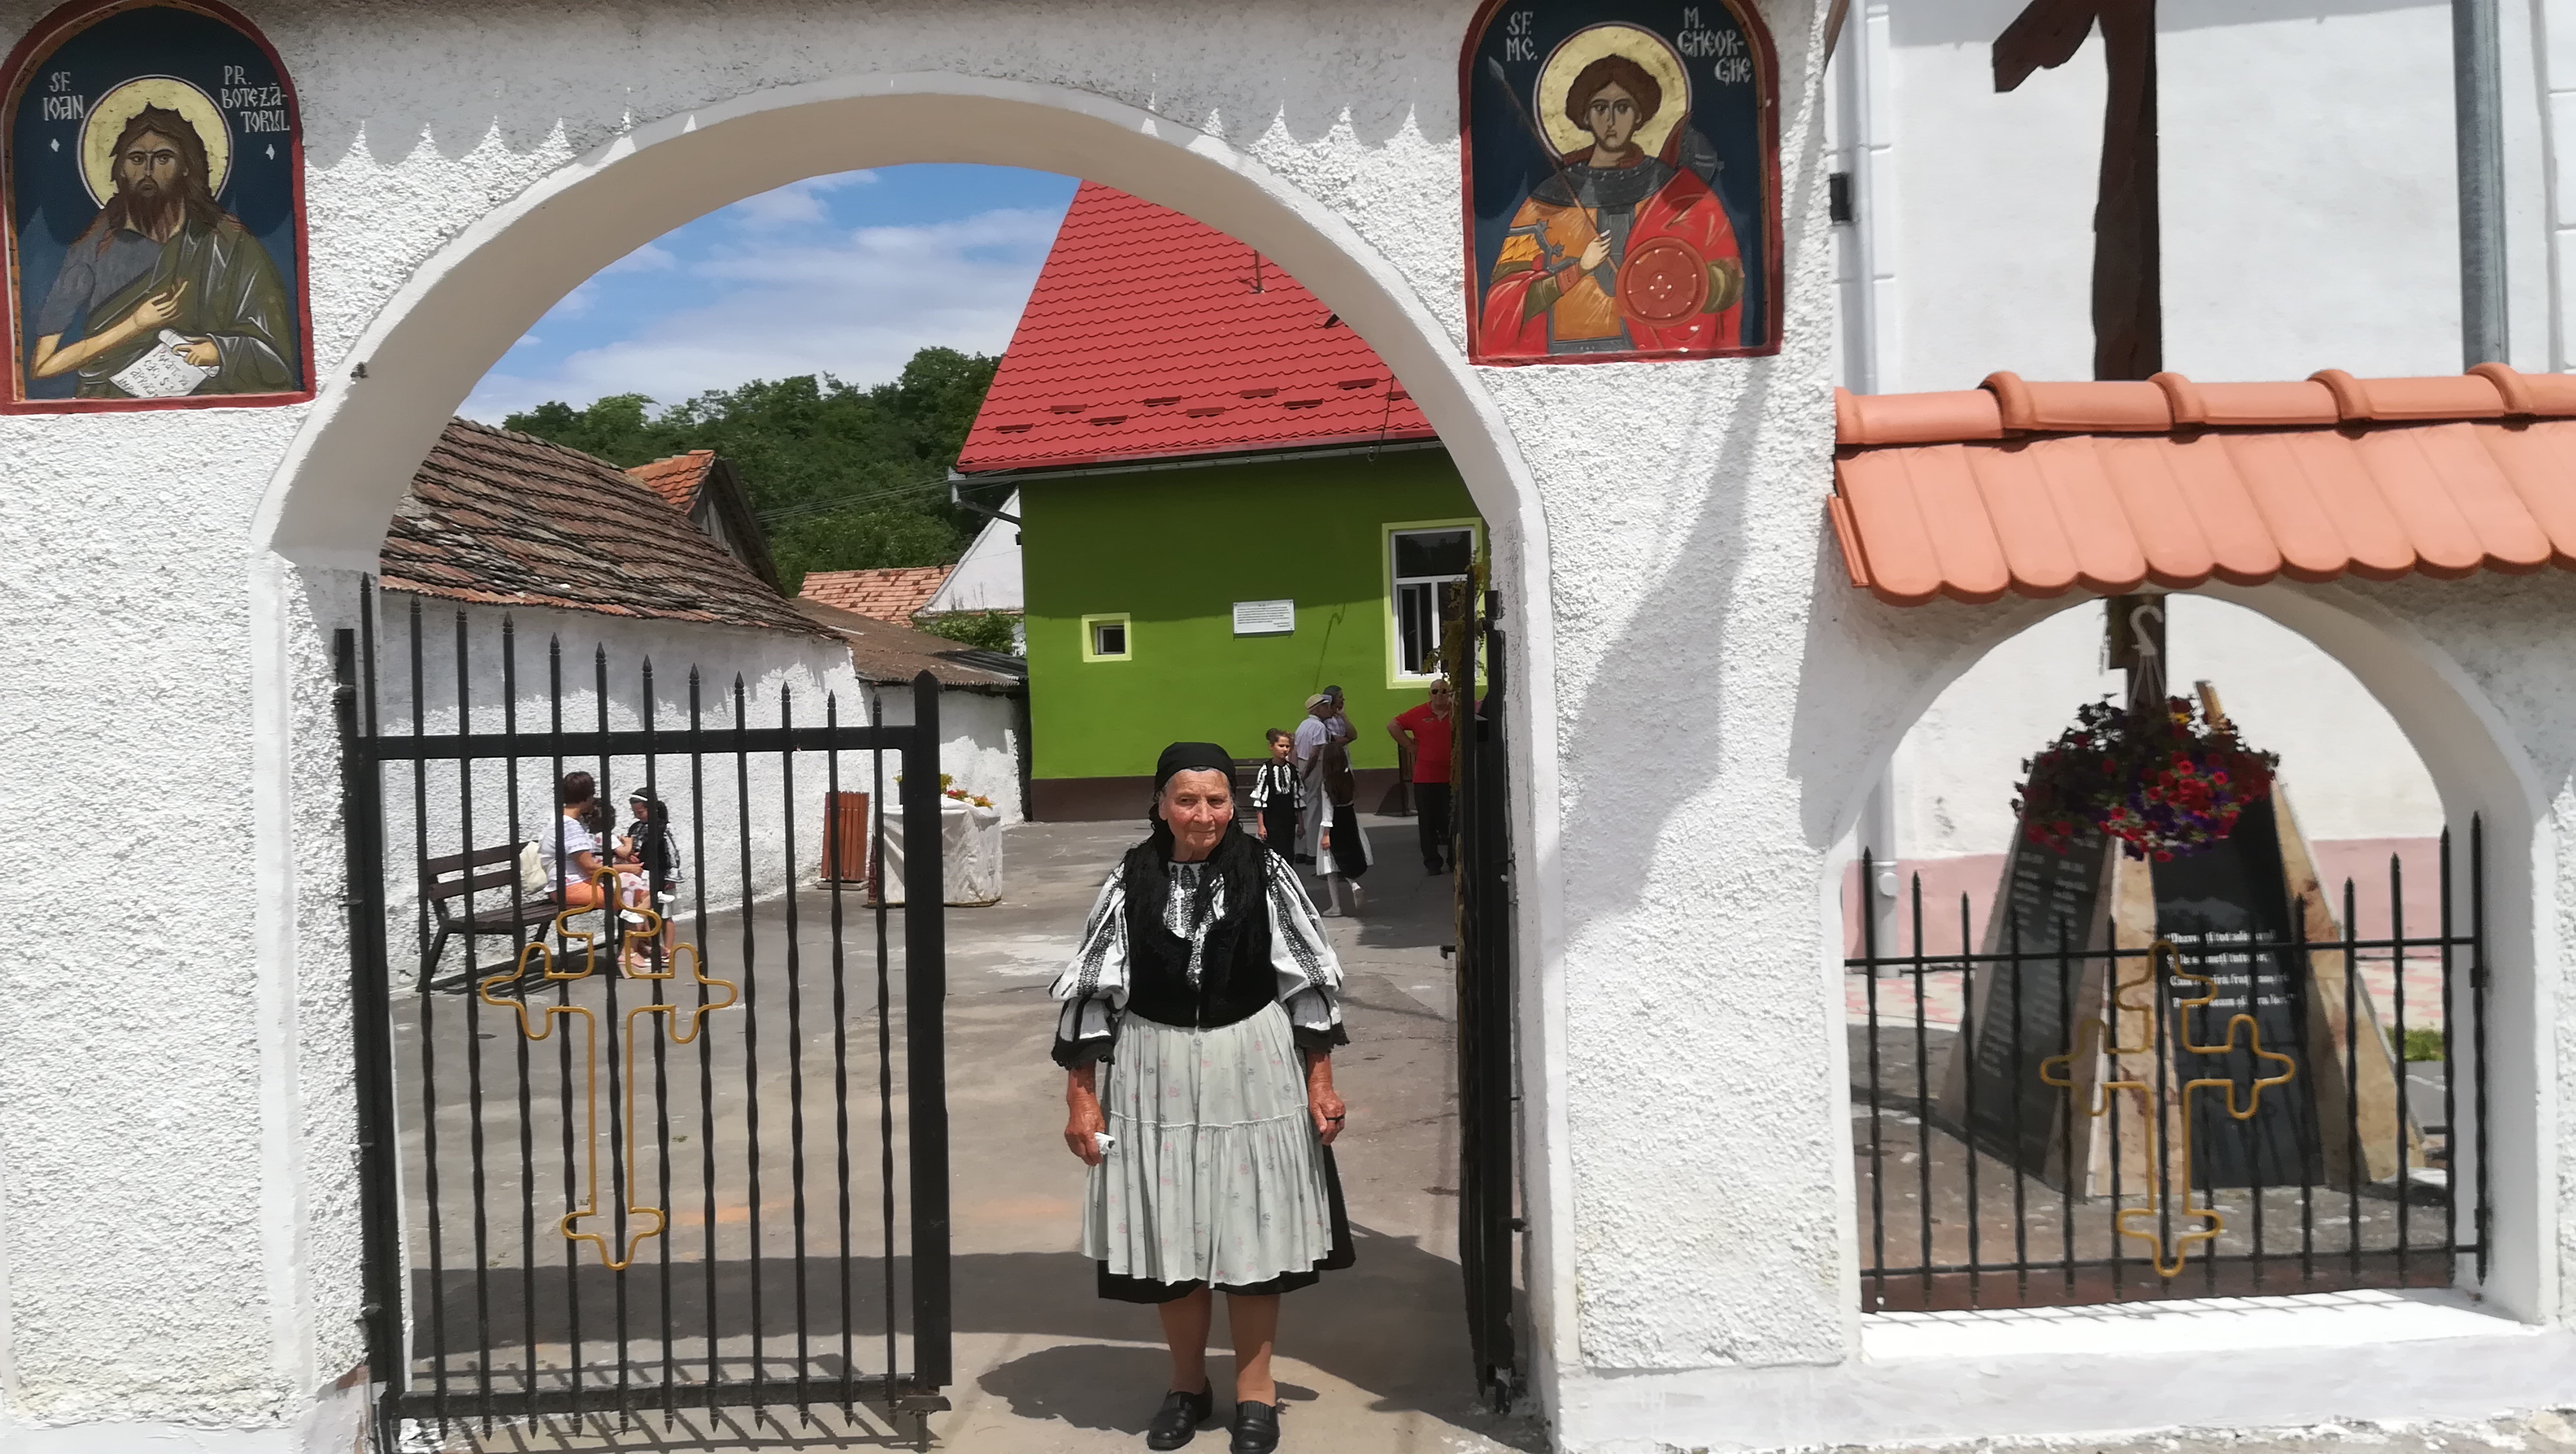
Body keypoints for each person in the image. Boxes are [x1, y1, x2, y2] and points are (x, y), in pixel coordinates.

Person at [1053, 743, 1353, 1454]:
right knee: (1172, 1236)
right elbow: (1093, 988)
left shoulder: (1266, 869)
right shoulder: (1131, 877)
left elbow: (1307, 979)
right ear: (1160, 805)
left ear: (1233, 804)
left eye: (1216, 799)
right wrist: (1081, 1097)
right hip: (1152, 1072)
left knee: (1253, 1231)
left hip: (1251, 1065)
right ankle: (1187, 1385)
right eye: (1186, 799)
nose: (1203, 814)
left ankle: (1256, 1391)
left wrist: (1320, 1080)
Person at [1476, 49, 1746, 359]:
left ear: (1639, 116)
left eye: (1623, 107)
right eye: (1600, 108)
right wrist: (1578, 270)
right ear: (1585, 117)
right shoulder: (1549, 199)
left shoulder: (1677, 193)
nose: (1611, 120)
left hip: (1654, 352)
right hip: (1563, 356)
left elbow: (1730, 278)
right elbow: (1504, 301)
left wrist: (1678, 280)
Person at [29, 106, 297, 397]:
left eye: (163, 158)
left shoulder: (229, 244)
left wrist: (220, 351)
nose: (148, 172)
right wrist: (134, 324)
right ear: (121, 169)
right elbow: (42, 365)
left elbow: (274, 354)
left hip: (204, 400)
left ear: (186, 167)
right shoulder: (93, 246)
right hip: (108, 400)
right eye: (136, 159)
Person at [539, 772, 641, 913]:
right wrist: (629, 869)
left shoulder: (561, 820)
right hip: (572, 888)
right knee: (640, 894)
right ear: (587, 798)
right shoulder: (570, 827)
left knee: (636, 895)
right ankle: (638, 927)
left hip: (568, 886)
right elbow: (590, 868)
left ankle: (636, 926)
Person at [1387, 682, 1459, 874]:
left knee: (1452, 821)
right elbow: (1393, 725)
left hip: (1452, 777)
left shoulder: (1456, 713)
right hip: (1426, 778)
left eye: (1444, 691)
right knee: (1427, 823)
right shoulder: (1419, 713)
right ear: (1430, 694)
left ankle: (1454, 860)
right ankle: (1432, 863)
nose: (1440, 695)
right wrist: (1410, 746)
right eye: (1435, 691)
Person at [617, 787, 686, 969]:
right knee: (646, 913)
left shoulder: (664, 827)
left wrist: (672, 877)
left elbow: (672, 852)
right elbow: (633, 848)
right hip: (642, 875)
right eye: (635, 812)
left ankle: (668, 950)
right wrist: (630, 857)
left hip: (661, 874)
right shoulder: (636, 828)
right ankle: (650, 946)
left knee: (665, 914)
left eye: (640, 812)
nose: (637, 815)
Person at [1312, 732, 1371, 918]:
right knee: (1346, 857)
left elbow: (1328, 809)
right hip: (1349, 819)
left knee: (1330, 866)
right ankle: (1354, 884)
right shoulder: (1348, 777)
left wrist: (1326, 834)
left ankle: (1336, 906)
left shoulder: (1327, 782)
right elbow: (1354, 799)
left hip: (1334, 823)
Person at [1289, 694, 1339, 865]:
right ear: (1318, 709)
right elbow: (1315, 752)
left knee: (1303, 808)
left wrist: (1297, 772)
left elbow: (1295, 750)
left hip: (1301, 765)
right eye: (1325, 707)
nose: (1327, 710)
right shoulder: (1319, 727)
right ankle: (1312, 851)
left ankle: (1301, 850)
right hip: (1314, 767)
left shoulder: (1303, 725)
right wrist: (1306, 773)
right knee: (1315, 808)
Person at [1245, 728, 1303, 853]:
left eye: (1287, 746)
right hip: (1271, 817)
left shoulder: (1293, 770)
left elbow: (1297, 798)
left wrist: (1301, 824)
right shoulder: (1266, 770)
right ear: (1271, 746)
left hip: (1288, 818)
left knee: (1288, 849)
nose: (1285, 749)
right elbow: (1260, 799)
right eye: (1281, 746)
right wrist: (1261, 825)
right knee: (1272, 850)